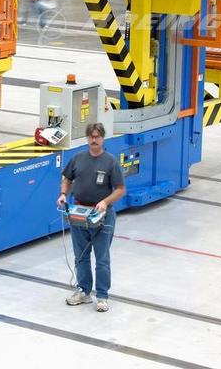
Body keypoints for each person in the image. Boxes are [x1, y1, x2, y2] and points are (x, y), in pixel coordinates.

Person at [56, 122, 126, 312]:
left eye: (97, 136)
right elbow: (67, 178)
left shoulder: (111, 162)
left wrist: (105, 202)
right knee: (81, 257)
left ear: (103, 138)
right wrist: (63, 194)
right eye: (91, 136)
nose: (94, 140)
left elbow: (120, 189)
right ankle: (84, 291)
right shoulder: (78, 158)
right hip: (79, 214)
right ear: (87, 138)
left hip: (102, 216)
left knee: (102, 258)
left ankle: (102, 296)